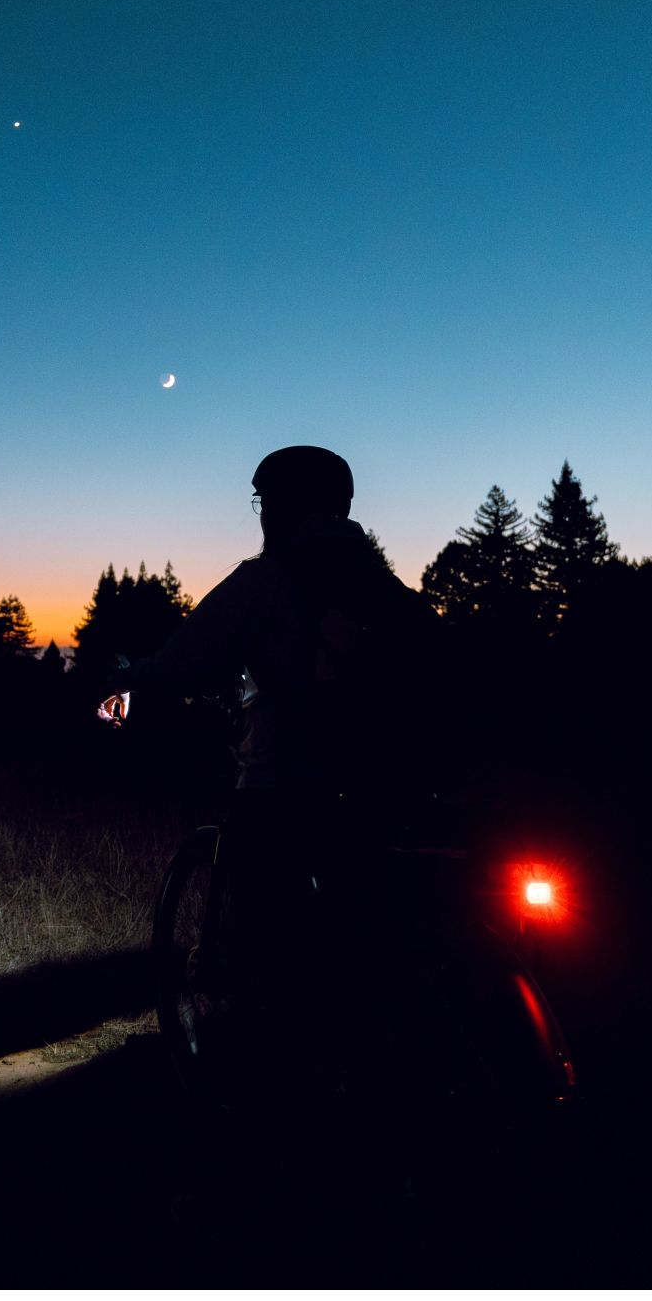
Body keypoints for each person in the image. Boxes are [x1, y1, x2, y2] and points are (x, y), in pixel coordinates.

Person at [98, 445, 434, 1054]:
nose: (261, 515)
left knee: (266, 950)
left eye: (263, 502)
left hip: (286, 784)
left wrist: (130, 676)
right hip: (388, 783)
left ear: (280, 507)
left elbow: (188, 659)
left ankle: (269, 1074)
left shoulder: (265, 580)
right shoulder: (377, 583)